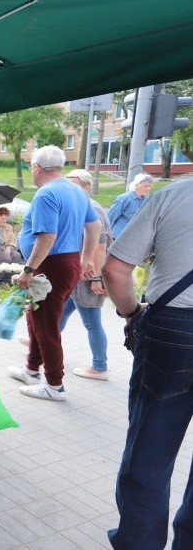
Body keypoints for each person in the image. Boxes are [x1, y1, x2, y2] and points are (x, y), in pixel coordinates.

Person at [102, 178, 193, 549]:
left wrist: (130, 314)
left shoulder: (174, 195)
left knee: (149, 456)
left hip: (172, 331)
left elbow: (114, 270)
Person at [7, 146, 100, 401]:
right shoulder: (77, 191)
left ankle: (54, 385)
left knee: (46, 325)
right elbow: (95, 226)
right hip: (66, 262)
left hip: (51, 265)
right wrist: (85, 258)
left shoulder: (46, 193)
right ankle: (31, 369)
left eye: (29, 167)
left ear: (37, 168)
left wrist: (28, 270)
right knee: (35, 318)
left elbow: (47, 237)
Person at [59, 169, 112, 380]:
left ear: (87, 187)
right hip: (80, 275)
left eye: (74, 184)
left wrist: (97, 278)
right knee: (61, 311)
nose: (69, 189)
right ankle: (41, 342)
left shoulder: (92, 208)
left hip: (89, 276)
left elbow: (101, 246)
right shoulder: (82, 205)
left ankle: (99, 367)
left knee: (92, 322)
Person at [107, 172, 153, 238]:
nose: (149, 189)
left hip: (135, 237)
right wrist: (106, 235)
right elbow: (111, 217)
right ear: (137, 185)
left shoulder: (147, 200)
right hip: (119, 236)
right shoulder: (124, 198)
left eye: (150, 186)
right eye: (146, 186)